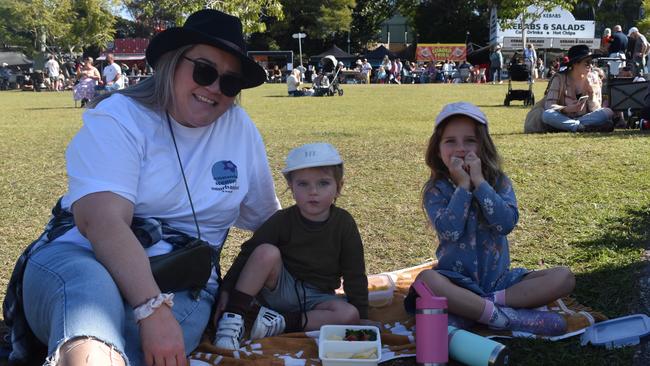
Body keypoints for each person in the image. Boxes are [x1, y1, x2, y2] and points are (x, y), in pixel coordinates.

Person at [3, 9, 280, 365]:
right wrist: (151, 307)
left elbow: (268, 223)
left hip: (183, 279)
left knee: (136, 341)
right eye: (204, 71)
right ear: (171, 62)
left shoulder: (239, 129)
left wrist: (238, 284)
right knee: (90, 297)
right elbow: (101, 221)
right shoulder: (120, 116)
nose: (214, 88)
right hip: (85, 255)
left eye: (229, 83)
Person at [405, 102, 575, 336]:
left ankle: (484, 309)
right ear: (437, 149)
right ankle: (503, 317)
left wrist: (480, 183)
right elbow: (450, 232)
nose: (461, 148)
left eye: (470, 140)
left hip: (501, 283)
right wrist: (463, 187)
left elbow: (505, 224)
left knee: (563, 277)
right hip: (456, 283)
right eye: (450, 141)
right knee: (427, 280)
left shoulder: (498, 182)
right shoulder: (436, 190)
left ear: (483, 146)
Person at [213, 142, 368, 350]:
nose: (313, 191)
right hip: (278, 289)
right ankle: (233, 317)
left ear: (338, 187)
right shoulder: (281, 220)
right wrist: (227, 290)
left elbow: (354, 272)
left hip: (318, 297)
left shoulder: (344, 223)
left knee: (349, 315)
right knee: (265, 252)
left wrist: (362, 316)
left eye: (323, 183)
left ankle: (279, 323)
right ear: (291, 188)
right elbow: (248, 253)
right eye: (303, 184)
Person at [542, 45, 614, 133]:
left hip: (586, 117)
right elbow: (549, 106)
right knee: (547, 115)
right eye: (587, 62)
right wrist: (568, 108)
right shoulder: (559, 79)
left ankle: (571, 126)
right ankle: (581, 127)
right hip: (563, 116)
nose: (591, 66)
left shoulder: (594, 78)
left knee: (608, 112)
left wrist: (591, 93)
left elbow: (596, 109)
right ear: (575, 63)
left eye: (592, 63)